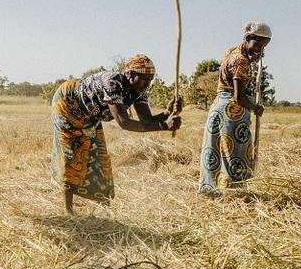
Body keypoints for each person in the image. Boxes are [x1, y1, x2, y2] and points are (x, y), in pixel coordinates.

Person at [51, 54, 182, 214]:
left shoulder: (140, 91)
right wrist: (164, 126)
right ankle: (68, 212)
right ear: (130, 74)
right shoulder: (112, 82)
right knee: (71, 156)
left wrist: (167, 113)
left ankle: (105, 210)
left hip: (92, 116)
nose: (147, 84)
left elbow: (146, 120)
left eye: (150, 80)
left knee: (100, 157)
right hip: (67, 105)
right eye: (144, 79)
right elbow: (124, 122)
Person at [198, 21, 271, 194]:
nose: (260, 50)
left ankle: (212, 190)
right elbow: (239, 97)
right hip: (232, 112)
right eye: (257, 45)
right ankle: (233, 192)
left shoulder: (233, 53)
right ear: (247, 38)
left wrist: (253, 56)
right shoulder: (241, 61)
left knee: (216, 151)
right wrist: (255, 107)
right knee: (235, 154)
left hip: (219, 108)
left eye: (264, 47)